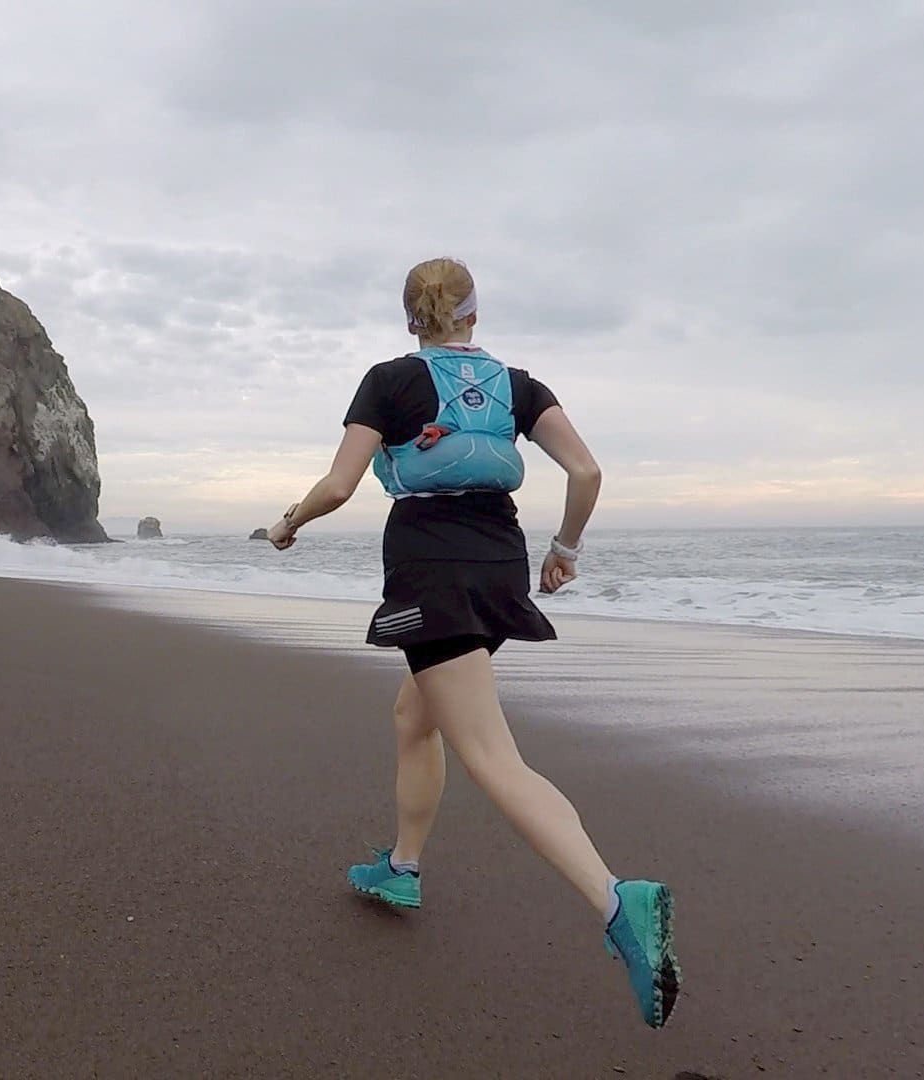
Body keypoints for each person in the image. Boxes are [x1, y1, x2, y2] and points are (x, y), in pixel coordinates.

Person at [266, 257, 680, 1028]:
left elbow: (339, 485)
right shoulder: (520, 384)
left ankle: (615, 899)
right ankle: (402, 867)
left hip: (433, 571)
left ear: (411, 319)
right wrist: (567, 550)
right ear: (474, 317)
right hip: (498, 562)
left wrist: (289, 521)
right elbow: (585, 471)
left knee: (491, 755)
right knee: (412, 715)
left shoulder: (389, 380)